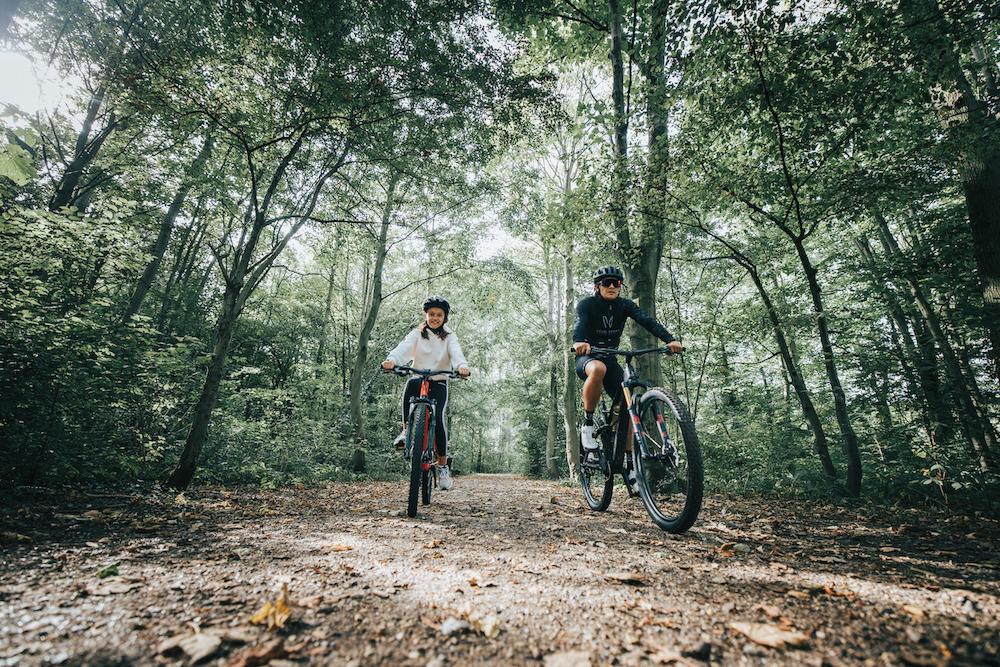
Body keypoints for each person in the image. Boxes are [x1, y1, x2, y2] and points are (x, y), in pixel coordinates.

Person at [572, 266, 684, 485]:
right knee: (598, 369)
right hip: (588, 359)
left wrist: (670, 340)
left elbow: (647, 320)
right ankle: (587, 424)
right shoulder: (587, 304)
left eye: (617, 283)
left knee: (628, 406)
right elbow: (580, 324)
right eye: (607, 283)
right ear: (597, 286)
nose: (612, 286)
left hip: (612, 359)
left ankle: (631, 464)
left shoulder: (625, 306)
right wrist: (579, 342)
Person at [382, 295, 470, 490]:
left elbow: (456, 353)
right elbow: (403, 348)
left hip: (439, 382)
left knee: (437, 419)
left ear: (445, 317)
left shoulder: (449, 337)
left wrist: (462, 366)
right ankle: (406, 431)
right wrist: (392, 360)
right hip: (419, 377)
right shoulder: (417, 333)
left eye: (439, 315)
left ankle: (443, 466)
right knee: (410, 385)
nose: (435, 318)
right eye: (431, 314)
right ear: (426, 315)